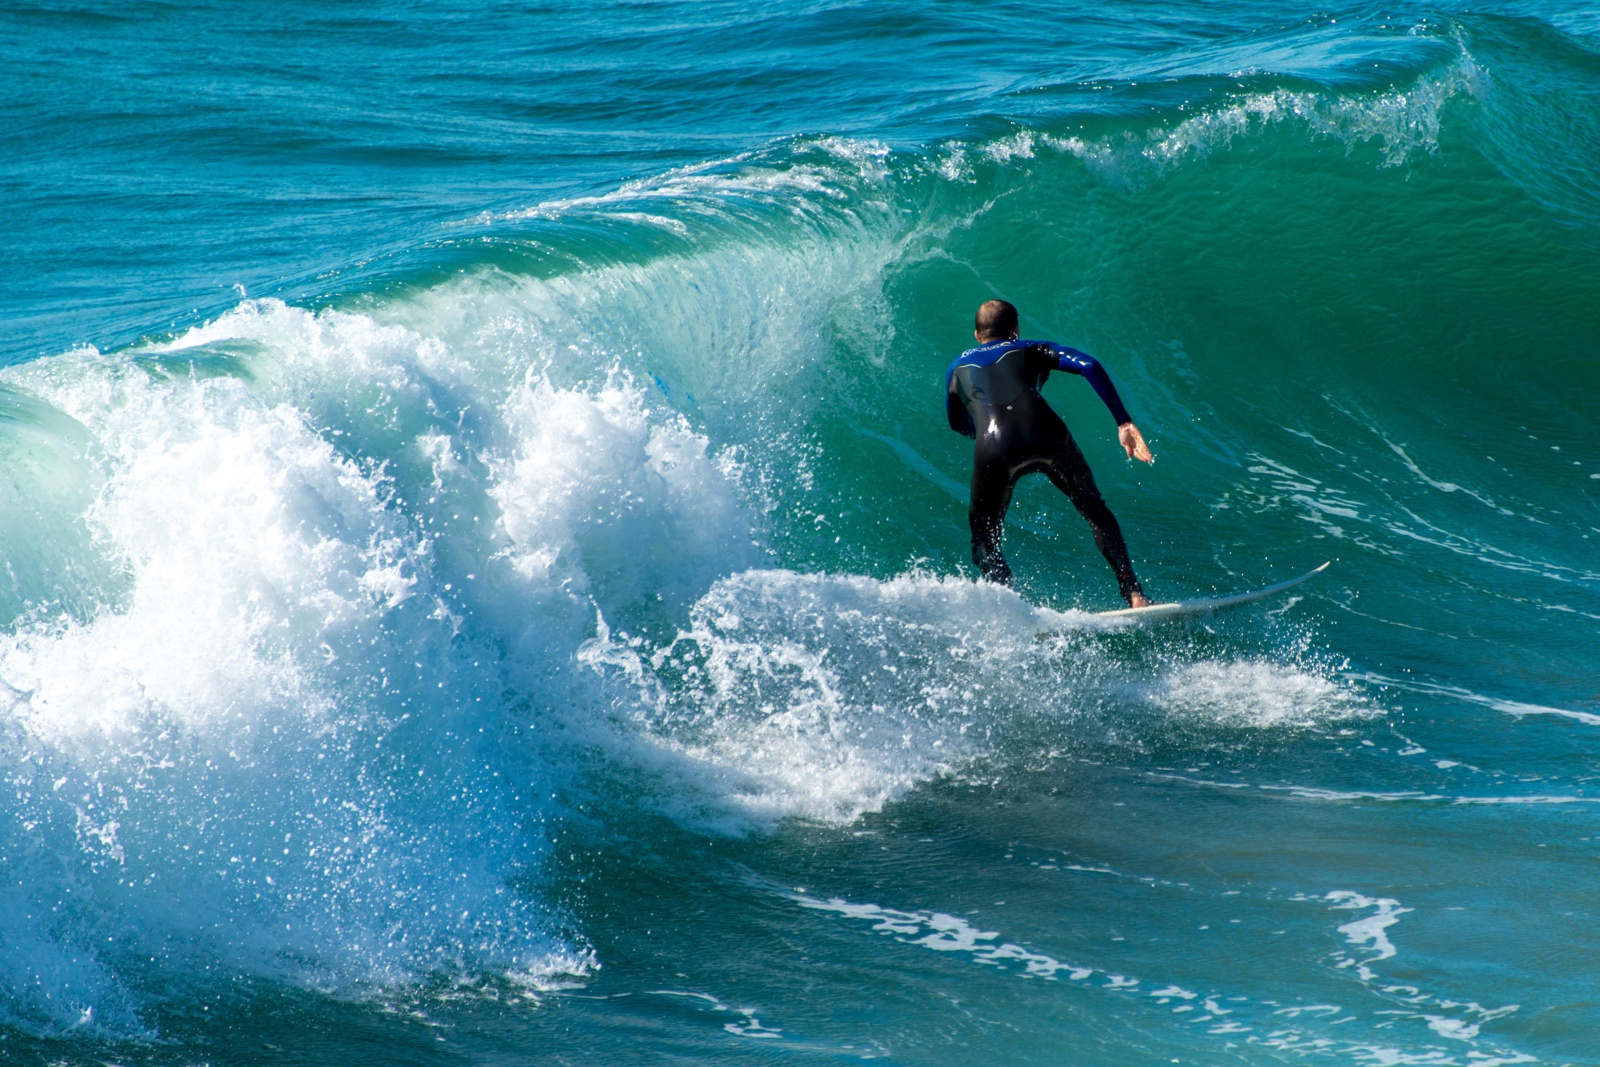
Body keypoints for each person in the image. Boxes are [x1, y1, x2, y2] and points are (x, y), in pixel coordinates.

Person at [944, 299, 1154, 607]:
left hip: (994, 446)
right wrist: (1123, 421)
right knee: (1096, 511)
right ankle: (1133, 593)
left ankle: (1009, 609)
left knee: (984, 540)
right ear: (1014, 330)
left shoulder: (957, 367)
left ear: (977, 334)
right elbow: (1089, 365)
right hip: (1046, 434)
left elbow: (956, 422)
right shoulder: (1028, 348)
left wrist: (989, 435)